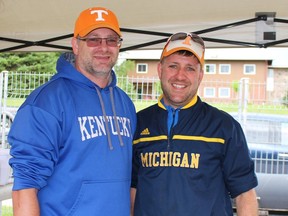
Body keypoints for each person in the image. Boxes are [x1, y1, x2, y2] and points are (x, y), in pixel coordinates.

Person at [8, 7, 136, 216]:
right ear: (76, 45)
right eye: (93, 39)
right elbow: (25, 186)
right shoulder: (46, 103)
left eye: (111, 40)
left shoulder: (125, 103)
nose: (104, 47)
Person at [131, 32, 258, 216]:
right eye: (173, 66)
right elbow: (132, 190)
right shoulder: (138, 122)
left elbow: (244, 194)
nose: (180, 76)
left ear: (200, 75)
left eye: (190, 68)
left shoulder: (224, 127)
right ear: (160, 70)